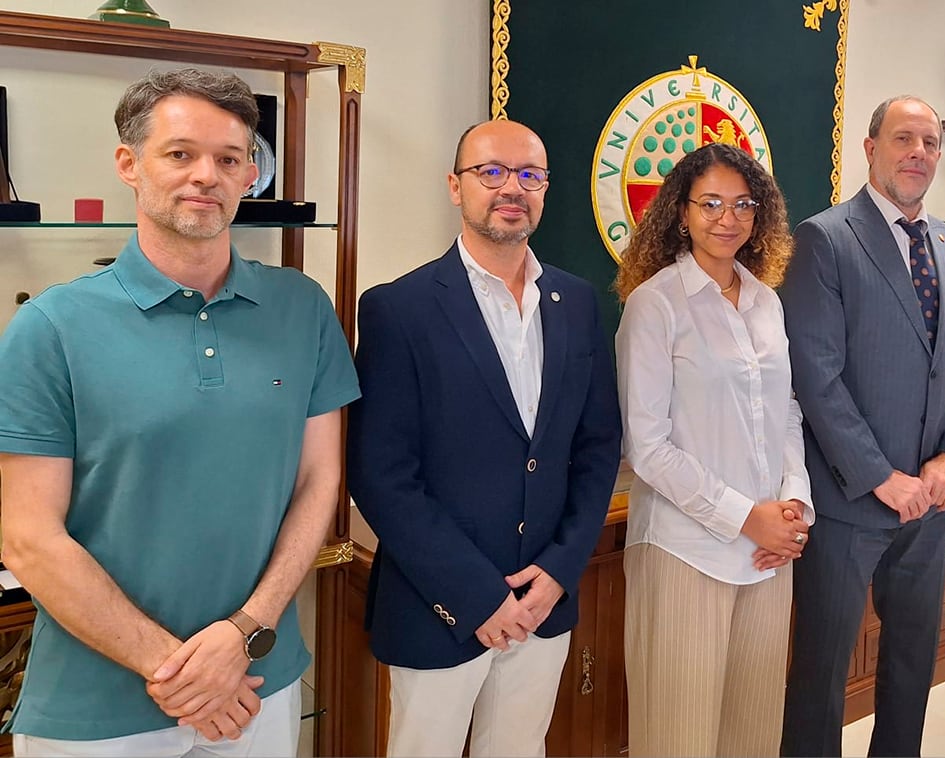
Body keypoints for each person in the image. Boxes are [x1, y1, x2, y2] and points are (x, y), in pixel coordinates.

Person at [0, 68, 359, 755]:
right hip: (99, 704)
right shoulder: (49, 328)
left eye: (228, 159)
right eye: (179, 154)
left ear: (251, 174)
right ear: (128, 165)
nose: (206, 175)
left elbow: (318, 484)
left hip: (259, 682)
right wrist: (176, 670)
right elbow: (29, 539)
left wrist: (245, 634)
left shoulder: (303, 308)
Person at [346, 119, 622, 757]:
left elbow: (598, 445)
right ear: (455, 186)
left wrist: (557, 571)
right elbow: (381, 473)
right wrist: (477, 595)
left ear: (546, 189)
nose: (512, 189)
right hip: (438, 604)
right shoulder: (399, 308)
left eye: (530, 175)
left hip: (544, 602)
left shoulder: (577, 303)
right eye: (491, 172)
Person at [779, 95, 945, 757]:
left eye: (930, 143)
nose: (919, 154)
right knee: (821, 674)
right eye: (904, 139)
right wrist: (880, 477)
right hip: (850, 503)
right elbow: (816, 376)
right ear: (869, 148)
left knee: (910, 665)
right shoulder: (825, 239)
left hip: (928, 506)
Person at [613, 143, 812, 757]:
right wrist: (745, 516)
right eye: (711, 204)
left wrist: (793, 507)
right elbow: (647, 447)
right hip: (685, 550)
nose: (728, 218)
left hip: (766, 554)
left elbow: (785, 411)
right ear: (681, 213)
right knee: (679, 738)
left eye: (743, 204)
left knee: (752, 735)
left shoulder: (766, 301)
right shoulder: (655, 305)